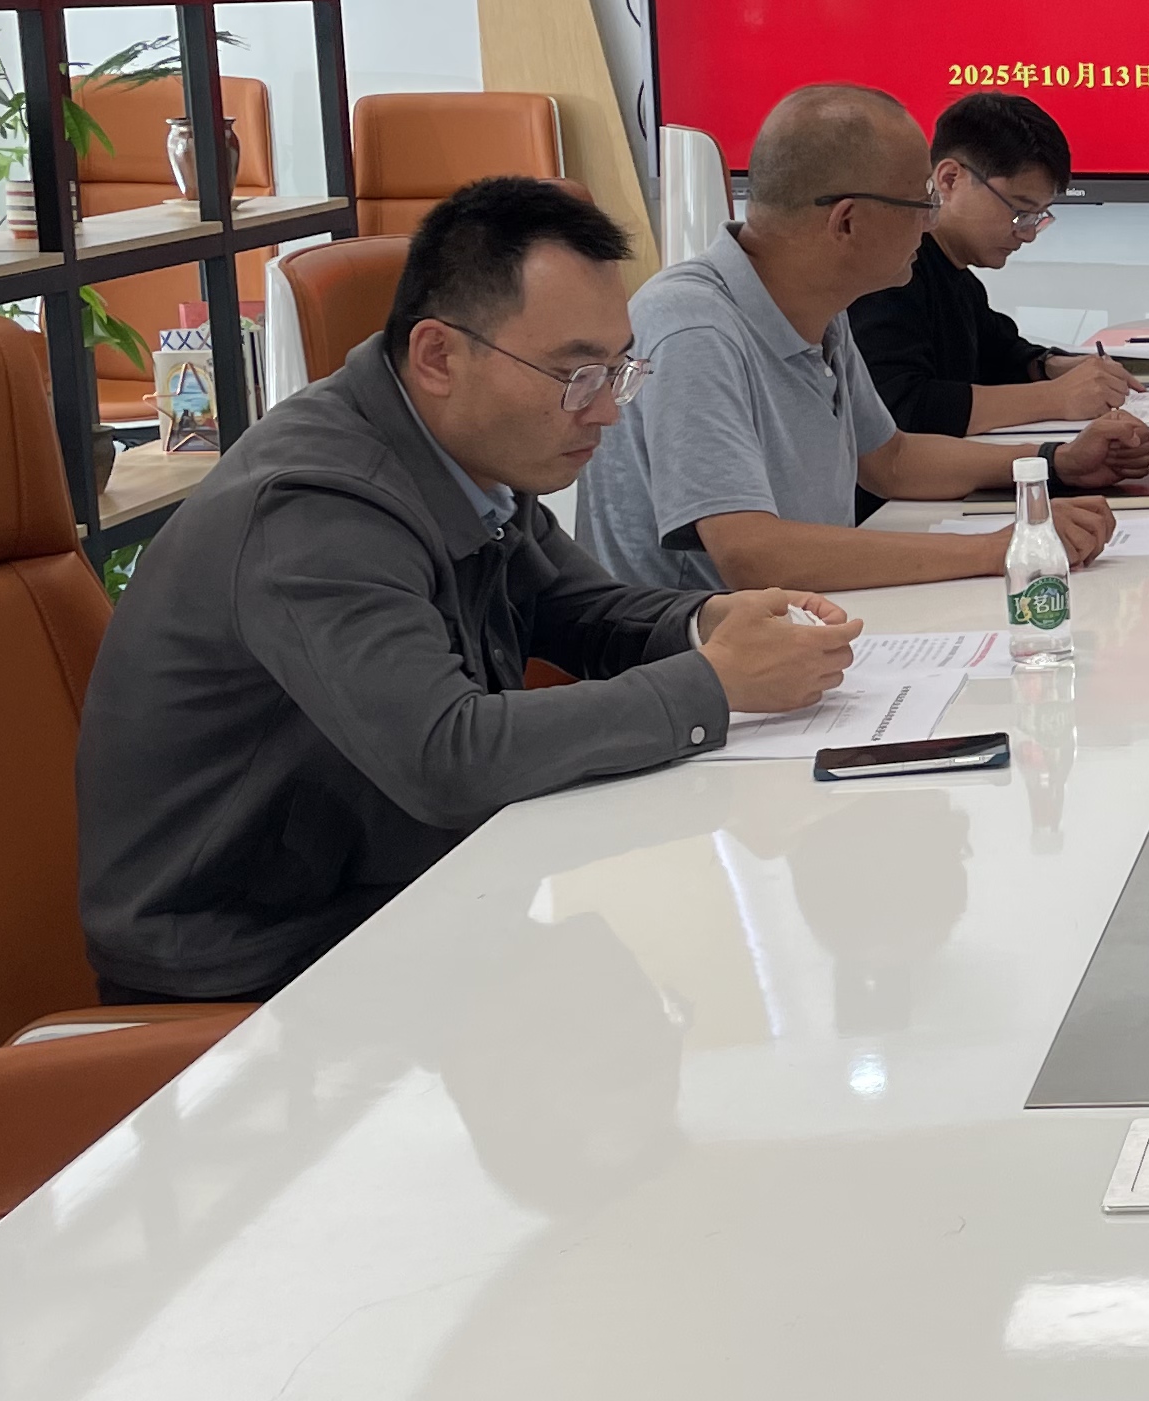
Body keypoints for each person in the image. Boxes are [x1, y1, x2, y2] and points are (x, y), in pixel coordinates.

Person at [76, 178, 861, 1003]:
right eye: (576, 374)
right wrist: (715, 682)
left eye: (617, 371)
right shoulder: (313, 508)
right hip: (256, 959)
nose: (606, 412)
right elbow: (445, 755)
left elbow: (577, 609)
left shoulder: (463, 456)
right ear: (438, 357)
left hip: (401, 891)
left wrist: (709, 621)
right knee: (694, 987)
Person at [578, 84, 1145, 593]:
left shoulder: (822, 311)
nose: (931, 222)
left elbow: (892, 461)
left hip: (805, 625)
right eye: (921, 203)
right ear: (846, 221)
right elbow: (751, 554)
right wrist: (996, 549)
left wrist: (1056, 462)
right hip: (708, 655)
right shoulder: (693, 328)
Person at [846, 88, 1139, 439]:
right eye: (1019, 211)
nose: (1027, 234)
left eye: (1037, 217)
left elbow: (1001, 354)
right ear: (950, 179)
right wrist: (1054, 399)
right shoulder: (891, 273)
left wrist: (1051, 366)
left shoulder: (958, 277)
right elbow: (901, 407)